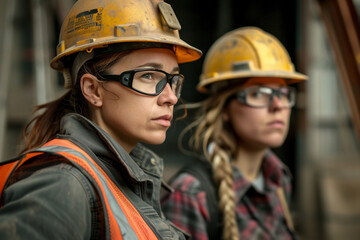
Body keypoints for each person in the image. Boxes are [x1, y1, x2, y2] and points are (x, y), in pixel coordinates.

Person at [0, 0, 201, 239]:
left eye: (172, 80)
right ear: (93, 90)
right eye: (148, 75)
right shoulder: (61, 184)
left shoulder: (120, 178)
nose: (170, 97)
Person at [161, 27, 308, 240]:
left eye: (283, 93)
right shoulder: (191, 194)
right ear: (225, 108)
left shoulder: (279, 178)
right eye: (257, 93)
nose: (278, 105)